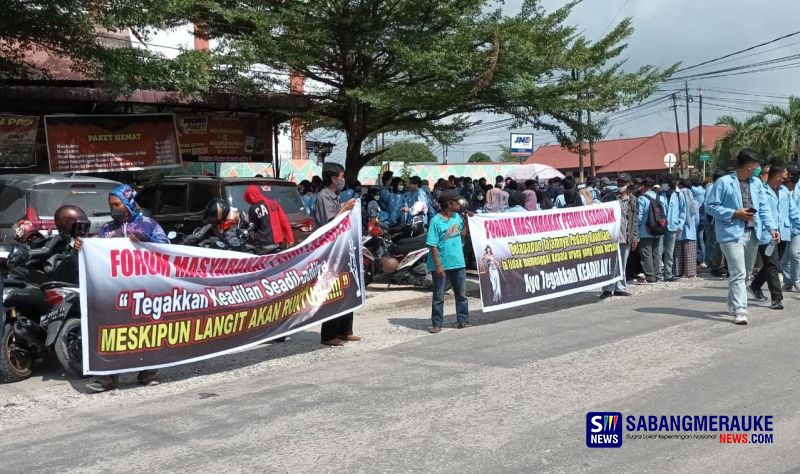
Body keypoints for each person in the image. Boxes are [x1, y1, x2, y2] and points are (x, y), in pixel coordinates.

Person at [81, 184, 169, 392]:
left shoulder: (148, 225)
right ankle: (107, 378)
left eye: (117, 204)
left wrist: (146, 242)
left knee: (147, 331)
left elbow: (165, 247)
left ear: (128, 201)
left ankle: (148, 374)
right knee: (113, 331)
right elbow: (95, 249)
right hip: (117, 292)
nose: (113, 209)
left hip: (145, 289)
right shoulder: (107, 229)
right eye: (111, 205)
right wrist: (82, 245)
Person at [706, 150, 779, 325]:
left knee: (745, 273)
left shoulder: (756, 183)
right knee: (738, 272)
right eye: (757, 165)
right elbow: (710, 206)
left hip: (753, 233)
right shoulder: (724, 182)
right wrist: (734, 213)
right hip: (731, 235)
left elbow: (764, 207)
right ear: (749, 165)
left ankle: (732, 302)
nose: (759, 169)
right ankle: (740, 310)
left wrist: (772, 228)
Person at [314, 166, 358, 346]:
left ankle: (345, 330)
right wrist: (344, 208)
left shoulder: (335, 196)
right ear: (333, 179)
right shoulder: (323, 197)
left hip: (342, 248)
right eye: (341, 177)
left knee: (347, 286)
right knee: (333, 290)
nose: (343, 179)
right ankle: (329, 334)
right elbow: (329, 224)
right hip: (330, 251)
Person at [750, 165, 799, 310]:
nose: (788, 177)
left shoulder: (785, 191)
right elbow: (759, 213)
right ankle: (777, 298)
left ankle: (755, 286)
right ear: (778, 176)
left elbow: (793, 212)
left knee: (773, 264)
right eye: (786, 175)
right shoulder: (762, 192)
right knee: (772, 265)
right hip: (767, 235)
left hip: (783, 233)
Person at [427, 190, 470, 332]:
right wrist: (439, 266)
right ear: (449, 203)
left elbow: (462, 235)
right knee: (439, 296)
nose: (459, 204)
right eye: (456, 201)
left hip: (458, 262)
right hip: (442, 265)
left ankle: (462, 320)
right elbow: (432, 245)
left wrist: (467, 222)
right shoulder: (436, 221)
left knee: (461, 294)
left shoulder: (457, 217)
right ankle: (437, 323)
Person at [601, 173, 638, 298]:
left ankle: (619, 287)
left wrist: (634, 237)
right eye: (619, 183)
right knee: (610, 263)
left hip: (625, 235)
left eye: (623, 183)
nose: (620, 185)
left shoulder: (632, 199)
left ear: (628, 184)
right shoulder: (609, 197)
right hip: (611, 236)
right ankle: (607, 289)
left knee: (622, 263)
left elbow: (634, 219)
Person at [659, 176, 687, 282]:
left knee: (669, 251)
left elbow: (683, 211)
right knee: (659, 251)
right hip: (660, 227)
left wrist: (680, 226)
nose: (663, 186)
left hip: (673, 227)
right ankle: (658, 273)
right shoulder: (659, 194)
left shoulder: (679, 195)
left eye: (665, 183)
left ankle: (668, 273)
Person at [636, 178, 663, 283]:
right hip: (658, 230)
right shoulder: (659, 197)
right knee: (656, 253)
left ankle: (650, 276)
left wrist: (636, 229)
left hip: (645, 231)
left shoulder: (642, 199)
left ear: (643, 187)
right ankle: (658, 274)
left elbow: (639, 216)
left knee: (646, 254)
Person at [674, 179, 699, 278]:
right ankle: (689, 273)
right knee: (690, 253)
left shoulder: (678, 197)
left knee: (678, 253)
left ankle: (678, 271)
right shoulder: (693, 201)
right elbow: (696, 218)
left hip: (678, 230)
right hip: (691, 232)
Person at [781, 173, 800, 291]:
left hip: (797, 226)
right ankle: (788, 282)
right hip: (787, 227)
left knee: (795, 253)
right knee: (785, 260)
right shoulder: (783, 189)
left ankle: (796, 280)